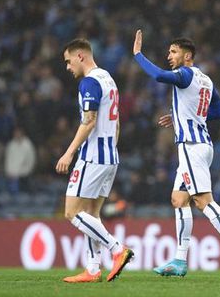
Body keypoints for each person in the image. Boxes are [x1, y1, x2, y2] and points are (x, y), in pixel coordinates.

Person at [132, 29, 220, 279]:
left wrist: (138, 55)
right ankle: (179, 260)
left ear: (188, 56)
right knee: (179, 199)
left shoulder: (185, 74)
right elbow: (218, 112)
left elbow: (159, 77)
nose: (169, 56)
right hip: (201, 144)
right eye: (168, 52)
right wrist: (183, 116)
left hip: (190, 146)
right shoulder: (206, 80)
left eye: (173, 51)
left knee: (202, 201)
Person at [57, 38, 133, 283]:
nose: (68, 68)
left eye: (69, 61)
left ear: (81, 56)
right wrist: (111, 149)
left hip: (92, 157)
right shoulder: (108, 79)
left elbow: (89, 120)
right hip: (111, 155)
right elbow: (117, 122)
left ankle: (117, 249)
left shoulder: (89, 82)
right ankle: (92, 268)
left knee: (72, 212)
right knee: (91, 214)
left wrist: (69, 153)